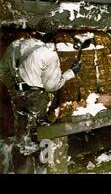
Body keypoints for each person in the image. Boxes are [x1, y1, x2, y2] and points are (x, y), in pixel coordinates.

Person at [0, 17, 82, 173]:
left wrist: (15, 88)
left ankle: (22, 169)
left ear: (36, 31)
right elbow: (52, 86)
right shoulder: (48, 54)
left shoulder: (15, 46)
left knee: (22, 135)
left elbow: (2, 72)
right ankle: (43, 169)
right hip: (36, 97)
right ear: (51, 36)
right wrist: (71, 73)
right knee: (42, 134)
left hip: (17, 95)